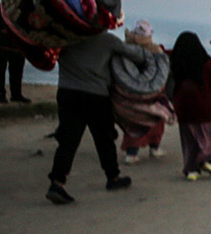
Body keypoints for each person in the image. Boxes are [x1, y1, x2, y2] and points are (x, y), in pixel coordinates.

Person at [45, 28, 149, 203]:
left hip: (67, 92)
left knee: (67, 140)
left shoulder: (66, 36)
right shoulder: (106, 40)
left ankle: (57, 182)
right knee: (104, 138)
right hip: (96, 94)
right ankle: (113, 178)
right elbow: (136, 55)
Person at [169, 31, 211, 182]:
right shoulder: (208, 65)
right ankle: (206, 160)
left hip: (184, 109)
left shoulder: (176, 65)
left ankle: (191, 170)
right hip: (206, 108)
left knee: (189, 141)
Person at [115, 21, 169, 163]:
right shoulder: (155, 50)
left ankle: (131, 153)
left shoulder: (125, 49)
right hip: (153, 93)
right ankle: (154, 148)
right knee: (155, 121)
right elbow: (162, 72)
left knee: (134, 123)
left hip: (129, 93)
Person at [0, 8, 30, 104]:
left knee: (15, 72)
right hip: (3, 46)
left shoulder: (19, 11)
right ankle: (2, 95)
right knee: (0, 71)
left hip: (14, 46)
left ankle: (15, 94)